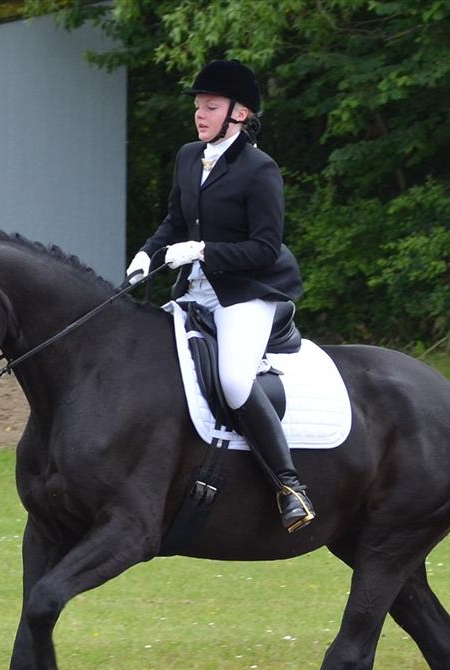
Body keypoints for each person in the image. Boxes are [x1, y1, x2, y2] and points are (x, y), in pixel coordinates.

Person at [126, 59, 315, 533]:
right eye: (197, 106)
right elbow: (173, 221)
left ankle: (290, 486)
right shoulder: (189, 156)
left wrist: (204, 249)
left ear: (239, 113)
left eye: (210, 106)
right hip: (194, 289)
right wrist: (148, 254)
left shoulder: (260, 169)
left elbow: (265, 246)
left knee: (233, 379)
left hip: (248, 292)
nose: (200, 114)